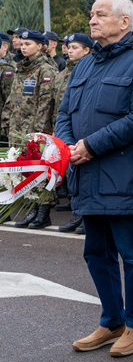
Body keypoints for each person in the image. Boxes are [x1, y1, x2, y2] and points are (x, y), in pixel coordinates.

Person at [55, 0, 133, 358]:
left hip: (124, 176)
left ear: (124, 22)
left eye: (100, 15)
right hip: (86, 174)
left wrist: (90, 146)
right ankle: (112, 320)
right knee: (95, 252)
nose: (92, 20)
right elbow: (64, 113)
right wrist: (69, 148)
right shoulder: (84, 65)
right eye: (92, 14)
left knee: (132, 254)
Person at [2, 30, 57, 229]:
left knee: (39, 170)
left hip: (35, 131)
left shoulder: (45, 69)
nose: (23, 47)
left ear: (40, 46)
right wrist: (6, 120)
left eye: (28, 44)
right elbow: (12, 98)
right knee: (24, 171)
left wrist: (40, 133)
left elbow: (46, 104)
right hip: (17, 129)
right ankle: (32, 209)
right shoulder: (20, 68)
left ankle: (43, 212)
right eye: (22, 44)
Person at [53, 33, 95, 235]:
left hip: (84, 132)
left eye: (74, 47)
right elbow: (60, 107)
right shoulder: (64, 73)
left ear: (87, 50)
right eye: (68, 47)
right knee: (71, 174)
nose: (69, 50)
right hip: (65, 131)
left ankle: (83, 217)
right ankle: (78, 214)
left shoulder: (93, 69)